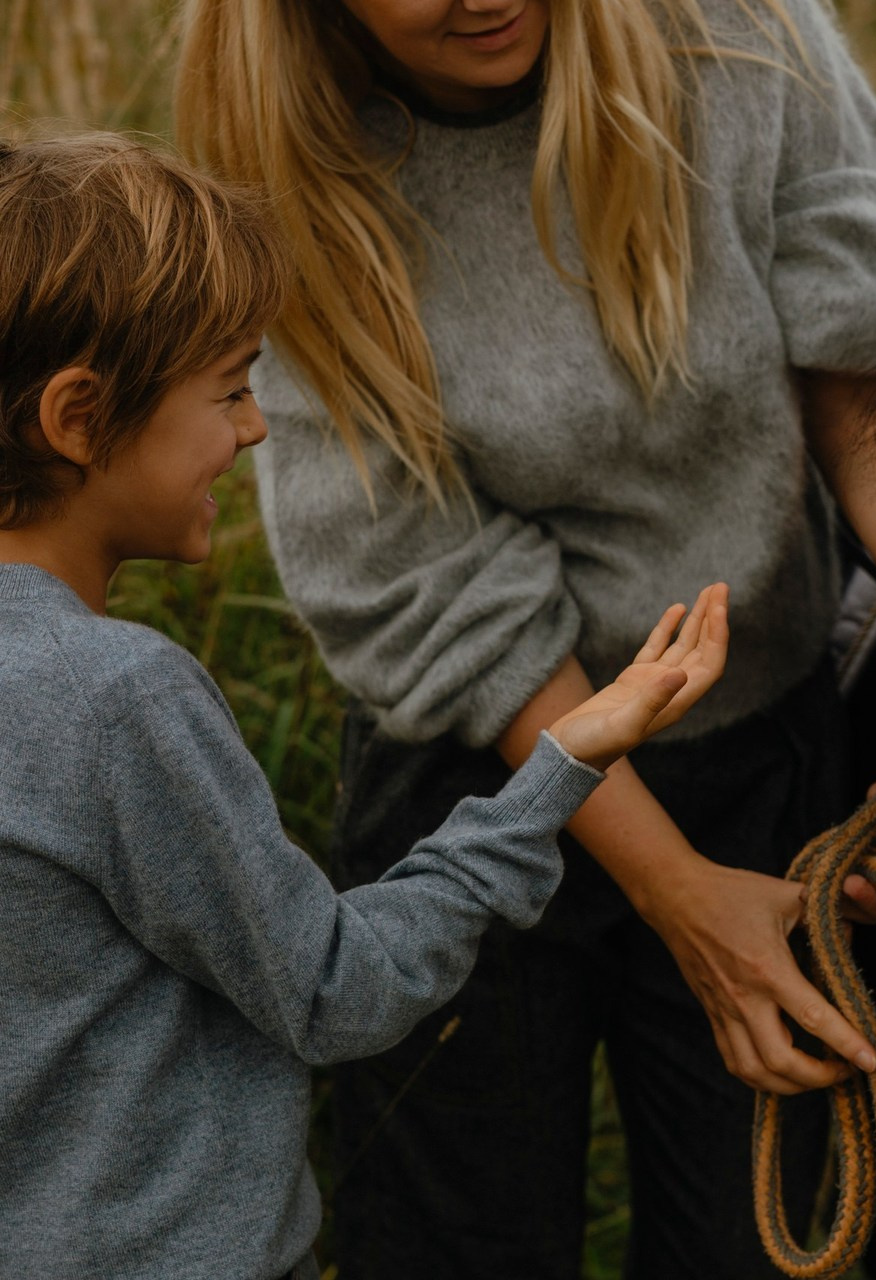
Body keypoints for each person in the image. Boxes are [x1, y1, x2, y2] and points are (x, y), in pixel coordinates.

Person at [175, 0, 876, 1275]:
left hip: (761, 751)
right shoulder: (279, 167)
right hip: (470, 784)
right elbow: (422, 577)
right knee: (460, 1245)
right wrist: (676, 892)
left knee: (771, 1241)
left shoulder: (739, 34)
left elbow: (858, 356)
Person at [0, 131, 731, 1280]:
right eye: (232, 388)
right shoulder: (112, 699)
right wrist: (559, 764)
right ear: (78, 416)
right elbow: (336, 987)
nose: (252, 429)